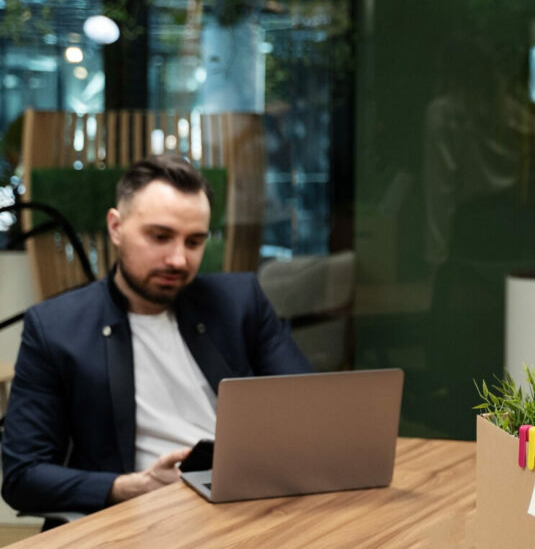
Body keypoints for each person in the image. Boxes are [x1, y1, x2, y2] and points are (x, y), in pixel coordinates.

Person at [2, 154, 311, 519]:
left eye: (194, 242)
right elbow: (23, 477)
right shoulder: (57, 327)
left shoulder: (239, 302)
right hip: (133, 524)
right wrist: (135, 486)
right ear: (116, 227)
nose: (178, 259)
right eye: (160, 237)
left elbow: (310, 415)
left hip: (248, 508)